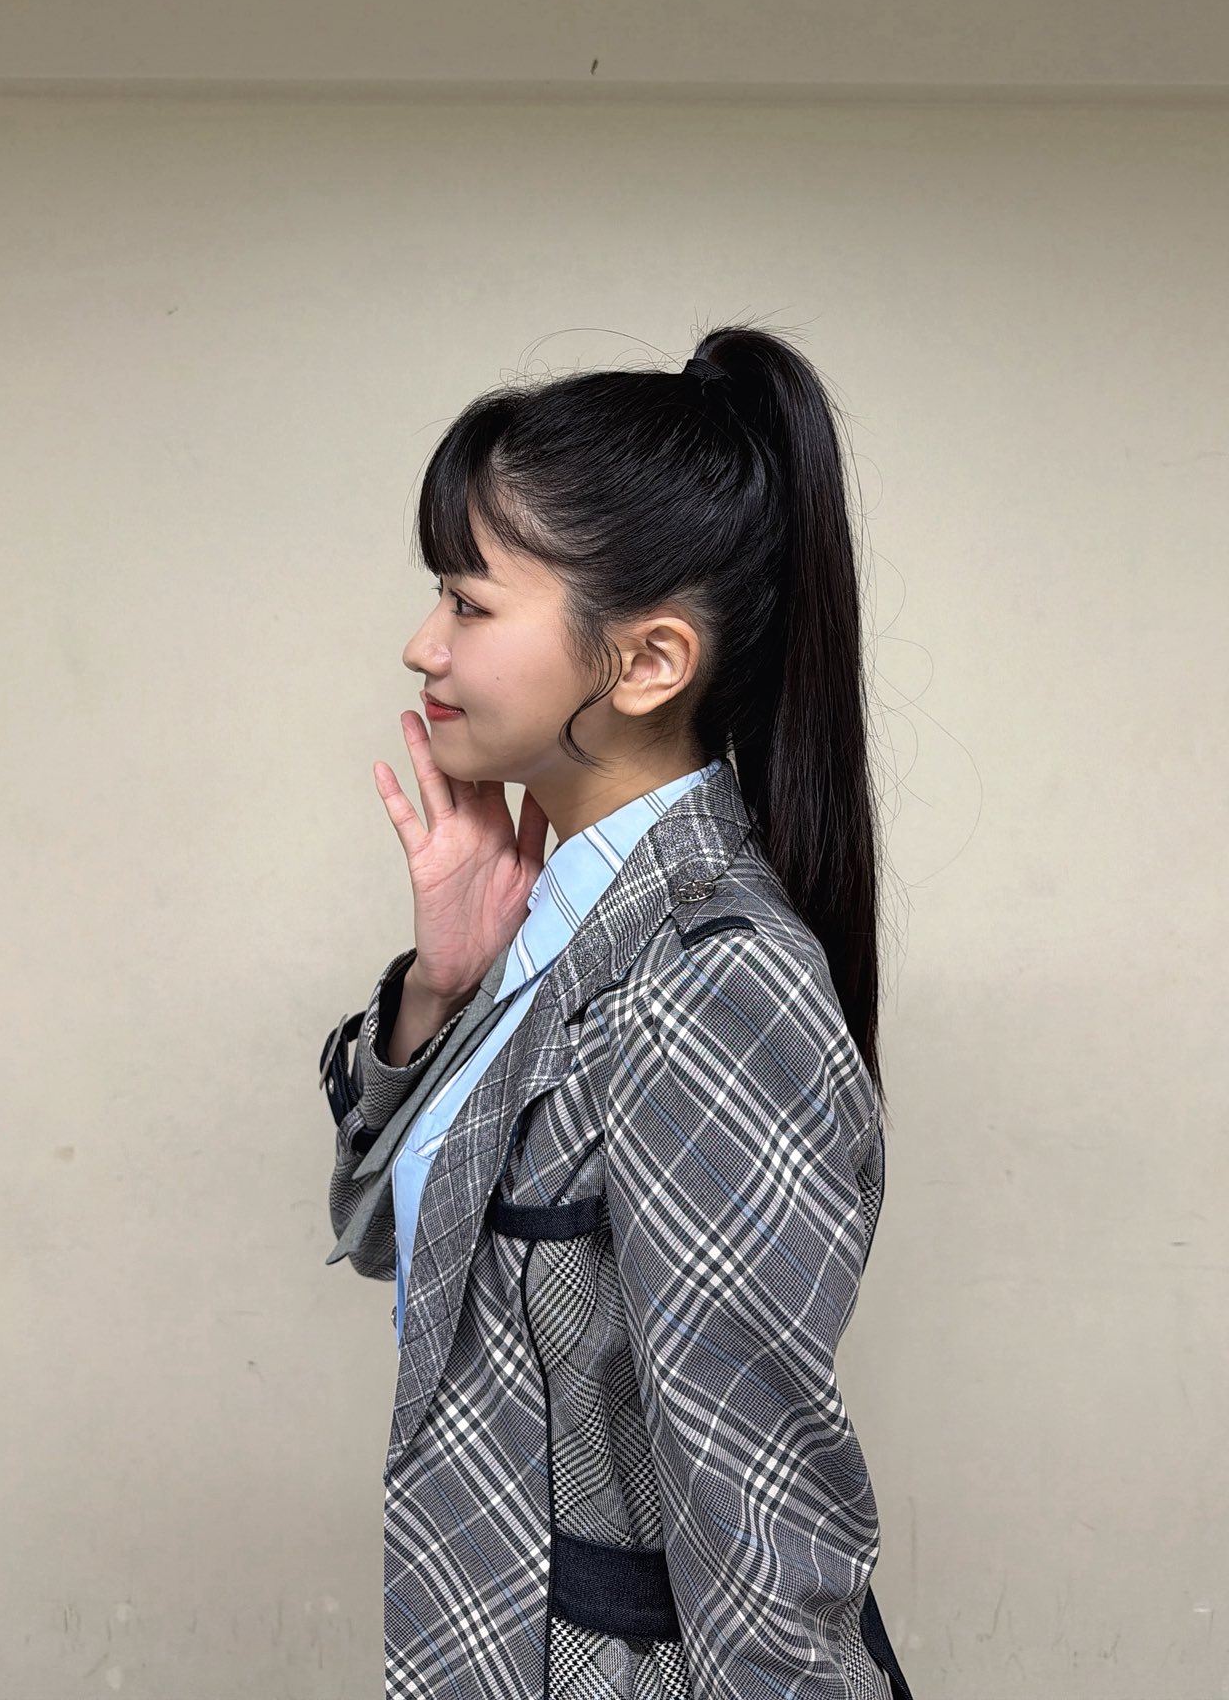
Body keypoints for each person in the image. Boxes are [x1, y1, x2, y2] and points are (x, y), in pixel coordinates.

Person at [318, 324, 914, 1699]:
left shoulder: (711, 981)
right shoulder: (563, 919)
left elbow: (767, 1527)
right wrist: (445, 985)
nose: (422, 644)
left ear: (646, 663)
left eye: (469, 604)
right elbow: (378, 1235)